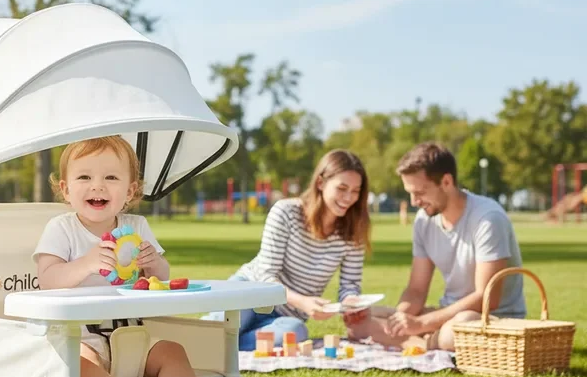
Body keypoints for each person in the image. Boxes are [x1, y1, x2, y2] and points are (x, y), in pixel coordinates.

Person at [34, 135, 230, 377]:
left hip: (134, 338)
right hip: (83, 338)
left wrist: (154, 264)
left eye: (111, 177)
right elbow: (47, 279)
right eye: (84, 177)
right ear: (66, 189)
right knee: (79, 362)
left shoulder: (136, 226)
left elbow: (162, 277)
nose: (97, 186)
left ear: (130, 190)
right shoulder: (62, 229)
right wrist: (85, 263)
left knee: (172, 352)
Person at [348, 142, 525, 351]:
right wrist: (401, 318)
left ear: (447, 181)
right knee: (360, 321)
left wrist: (422, 323)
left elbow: (487, 297)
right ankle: (422, 342)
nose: (414, 202)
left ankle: (422, 342)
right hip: (447, 313)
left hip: (492, 319)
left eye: (420, 192)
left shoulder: (488, 219)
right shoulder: (424, 220)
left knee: (454, 332)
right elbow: (416, 290)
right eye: (410, 193)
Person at [225, 150, 371, 351]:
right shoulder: (286, 212)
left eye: (356, 191)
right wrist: (303, 302)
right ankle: (217, 340)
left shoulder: (353, 232)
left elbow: (350, 284)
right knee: (219, 324)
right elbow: (265, 276)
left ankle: (223, 345)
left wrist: (350, 301)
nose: (349, 197)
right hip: (251, 293)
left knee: (296, 332)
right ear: (320, 183)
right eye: (342, 188)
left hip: (286, 317)